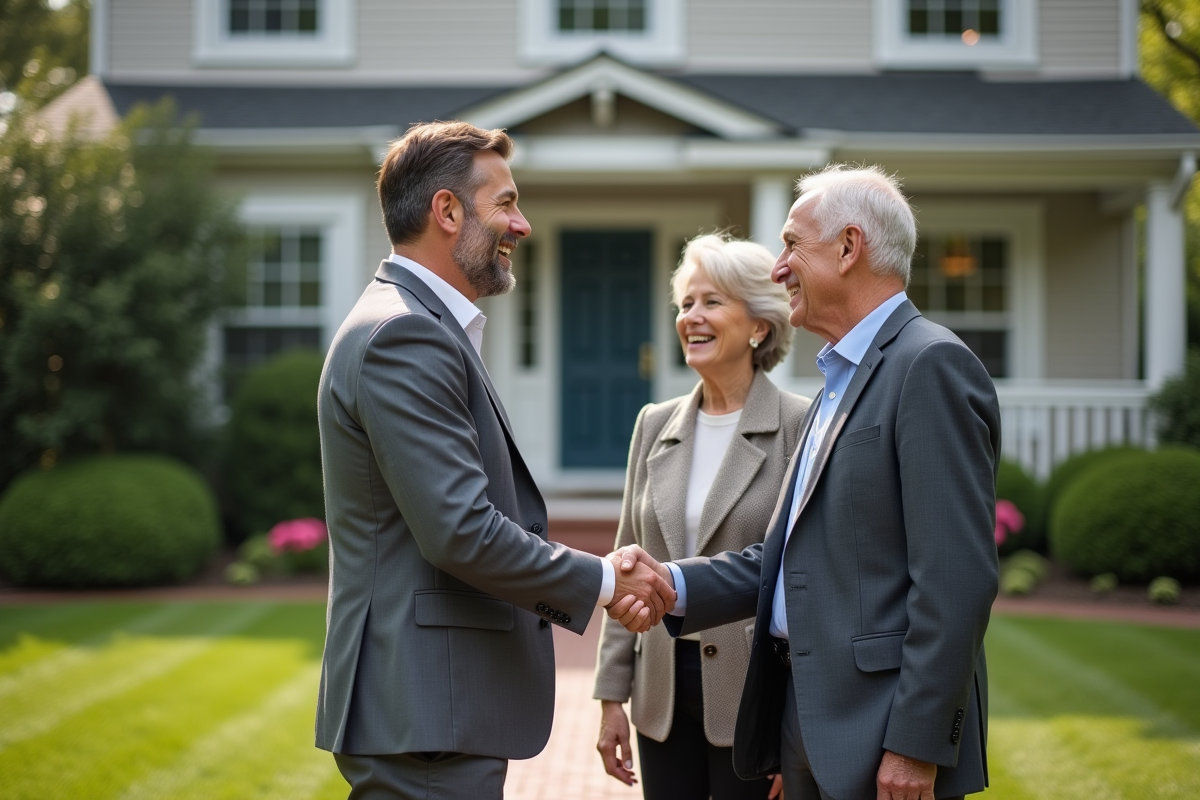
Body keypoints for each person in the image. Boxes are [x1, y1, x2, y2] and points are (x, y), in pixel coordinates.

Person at [610, 165, 1000, 800]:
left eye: (793, 244)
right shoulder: (836, 386)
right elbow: (788, 559)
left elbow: (956, 579)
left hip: (883, 737)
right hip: (808, 723)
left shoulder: (929, 364)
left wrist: (916, 744)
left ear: (849, 249)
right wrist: (671, 583)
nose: (779, 267)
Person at [314, 120, 676, 800]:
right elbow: (460, 531)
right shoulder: (407, 335)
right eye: (505, 203)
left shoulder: (414, 324)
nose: (523, 224)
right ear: (447, 211)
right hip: (424, 708)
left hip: (430, 707)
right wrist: (604, 578)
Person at [593, 234, 809, 800]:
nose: (692, 317)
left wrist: (795, 732)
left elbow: (804, 581)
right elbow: (626, 562)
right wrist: (611, 697)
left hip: (755, 696)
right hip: (659, 692)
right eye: (686, 303)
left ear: (759, 325)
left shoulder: (799, 426)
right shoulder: (653, 424)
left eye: (712, 301)